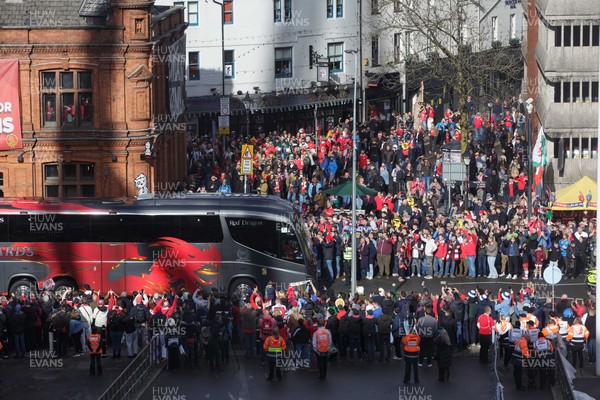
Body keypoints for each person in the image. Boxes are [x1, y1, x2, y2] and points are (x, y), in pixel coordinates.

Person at [312, 313, 333, 380]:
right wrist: (329, 347)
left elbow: (314, 343)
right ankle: (325, 374)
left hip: (319, 350)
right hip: (326, 348)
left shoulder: (316, 333)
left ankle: (321, 375)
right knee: (325, 362)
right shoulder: (327, 331)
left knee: (320, 362)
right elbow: (330, 340)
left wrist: (315, 350)